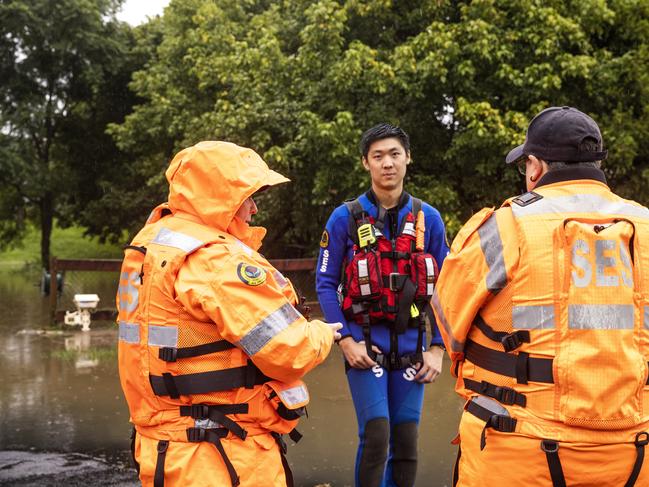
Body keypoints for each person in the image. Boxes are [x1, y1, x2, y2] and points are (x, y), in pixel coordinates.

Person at [432, 106, 649, 486]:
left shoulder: (504, 227)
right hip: (636, 451)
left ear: (534, 167)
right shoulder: (644, 225)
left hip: (520, 452)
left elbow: (449, 324)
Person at [116, 141, 341, 487]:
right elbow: (289, 352)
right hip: (222, 456)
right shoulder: (216, 260)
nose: (253, 209)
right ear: (220, 197)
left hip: (161, 449)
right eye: (247, 197)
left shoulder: (151, 244)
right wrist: (323, 332)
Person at [316, 123, 449, 487]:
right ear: (365, 163)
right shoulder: (344, 217)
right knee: (376, 434)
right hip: (364, 344)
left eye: (394, 154)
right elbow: (326, 284)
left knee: (406, 441)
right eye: (378, 156)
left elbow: (447, 289)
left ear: (407, 158)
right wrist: (345, 340)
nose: (387, 163)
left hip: (412, 346)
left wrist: (437, 348)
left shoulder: (429, 219)